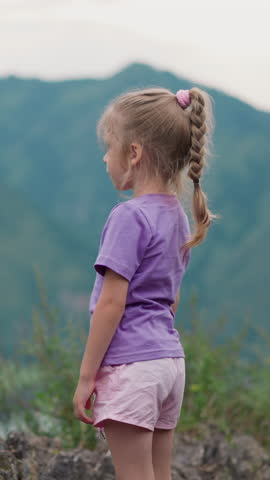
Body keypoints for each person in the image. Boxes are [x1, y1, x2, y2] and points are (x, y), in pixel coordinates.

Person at [73, 86, 220, 480]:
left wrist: (87, 376)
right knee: (158, 473)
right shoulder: (176, 215)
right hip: (169, 364)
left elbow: (110, 303)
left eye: (110, 146)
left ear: (134, 153)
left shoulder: (128, 217)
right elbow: (170, 301)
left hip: (131, 364)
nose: (106, 156)